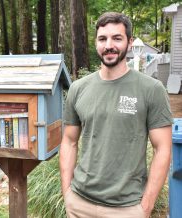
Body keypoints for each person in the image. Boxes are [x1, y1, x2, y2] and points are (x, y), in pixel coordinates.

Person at [60, 12, 172, 218]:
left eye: (117, 38)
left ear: (129, 43)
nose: (109, 45)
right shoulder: (78, 88)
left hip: (127, 208)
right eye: (103, 38)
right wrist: (67, 193)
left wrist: (145, 207)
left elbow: (163, 149)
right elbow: (69, 141)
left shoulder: (151, 89)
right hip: (79, 204)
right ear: (96, 43)